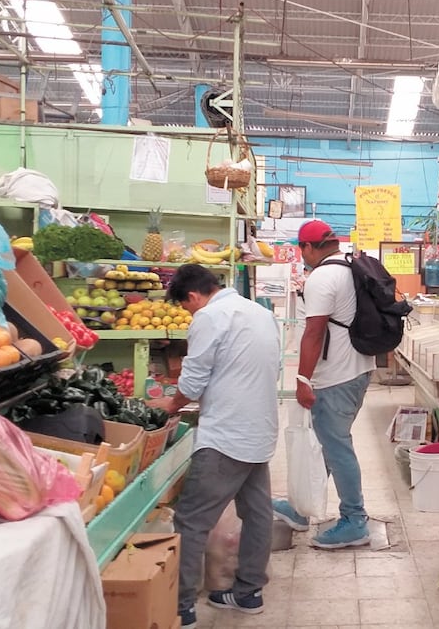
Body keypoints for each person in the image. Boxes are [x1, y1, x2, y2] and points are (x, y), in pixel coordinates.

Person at [146, 264, 280, 628]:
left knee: (190, 520)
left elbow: (194, 376)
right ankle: (249, 591)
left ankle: (182, 605)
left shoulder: (210, 316)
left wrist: (171, 406)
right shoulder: (260, 313)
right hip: (260, 432)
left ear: (193, 296)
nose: (191, 313)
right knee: (256, 514)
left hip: (225, 438)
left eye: (187, 307)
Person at [272, 220, 376, 549]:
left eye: (301, 249)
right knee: (328, 443)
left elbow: (313, 333)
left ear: (307, 247)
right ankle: (302, 506)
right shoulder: (350, 266)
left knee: (336, 446)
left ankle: (355, 520)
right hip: (360, 367)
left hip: (336, 376)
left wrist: (302, 380)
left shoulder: (321, 277)